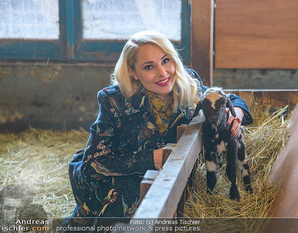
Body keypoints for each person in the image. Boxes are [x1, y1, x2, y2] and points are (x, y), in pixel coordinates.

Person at [63, 30, 253, 229]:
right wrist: (152, 158)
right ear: (133, 72)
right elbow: (91, 164)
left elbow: (229, 98)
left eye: (165, 60)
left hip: (166, 184)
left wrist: (236, 113)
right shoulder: (114, 100)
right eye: (148, 67)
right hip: (118, 187)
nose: (163, 73)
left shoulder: (186, 82)